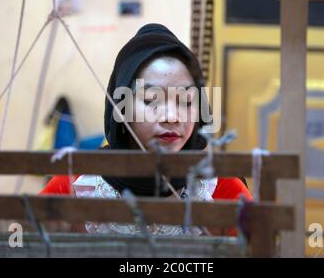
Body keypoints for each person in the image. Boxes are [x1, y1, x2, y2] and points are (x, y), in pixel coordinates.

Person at [40, 24, 252, 235]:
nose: (171, 117)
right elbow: (18, 242)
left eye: (187, 101)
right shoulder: (75, 185)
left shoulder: (222, 188)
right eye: (151, 100)